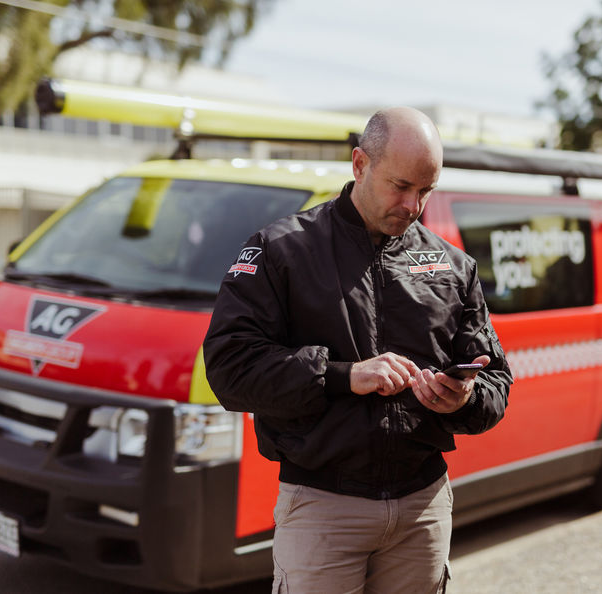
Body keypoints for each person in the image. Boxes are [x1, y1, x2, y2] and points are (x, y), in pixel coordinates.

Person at [203, 107, 512, 593]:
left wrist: (465, 399)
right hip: (324, 506)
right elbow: (228, 369)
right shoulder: (281, 251)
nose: (413, 205)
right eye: (401, 186)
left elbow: (496, 381)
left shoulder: (453, 267)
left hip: (423, 507)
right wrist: (342, 375)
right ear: (359, 164)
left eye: (426, 191)